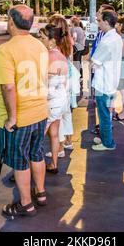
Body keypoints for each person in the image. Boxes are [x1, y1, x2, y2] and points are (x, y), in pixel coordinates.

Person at [0, 5, 49, 218]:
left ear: (11, 22)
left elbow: (8, 86)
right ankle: (41, 193)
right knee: (37, 153)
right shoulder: (40, 46)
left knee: (19, 160)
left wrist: (12, 118)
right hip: (40, 111)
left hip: (21, 116)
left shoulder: (6, 49)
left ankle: (26, 203)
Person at [39, 24, 70, 173]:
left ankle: (28, 169)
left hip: (51, 102)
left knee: (37, 139)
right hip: (61, 100)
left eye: (43, 38)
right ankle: (54, 164)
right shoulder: (62, 56)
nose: (40, 40)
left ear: (51, 41)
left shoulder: (48, 56)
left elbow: (42, 82)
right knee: (54, 133)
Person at [91, 11, 123, 151]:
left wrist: (93, 62)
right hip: (110, 80)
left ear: (106, 21)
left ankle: (108, 143)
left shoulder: (107, 40)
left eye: (99, 21)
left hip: (104, 82)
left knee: (104, 113)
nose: (98, 23)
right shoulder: (115, 37)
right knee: (106, 112)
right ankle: (105, 137)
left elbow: (95, 61)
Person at [49, 14, 78, 154]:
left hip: (60, 79)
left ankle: (59, 149)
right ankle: (69, 142)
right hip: (69, 78)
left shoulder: (56, 45)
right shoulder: (69, 41)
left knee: (57, 116)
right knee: (66, 113)